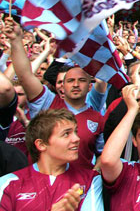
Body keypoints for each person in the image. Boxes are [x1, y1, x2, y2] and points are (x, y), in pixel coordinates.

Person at [5, 19, 106, 170]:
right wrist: (16, 41)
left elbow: (102, 155)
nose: (76, 84)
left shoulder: (97, 118)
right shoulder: (46, 102)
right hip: (42, 185)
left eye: (81, 80)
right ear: (61, 86)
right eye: (70, 80)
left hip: (79, 190)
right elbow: (25, 75)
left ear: (89, 86)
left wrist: (92, 178)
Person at [0, 109, 103, 210]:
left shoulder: (91, 179)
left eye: (75, 132)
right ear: (41, 144)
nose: (77, 139)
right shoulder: (9, 183)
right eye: (66, 134)